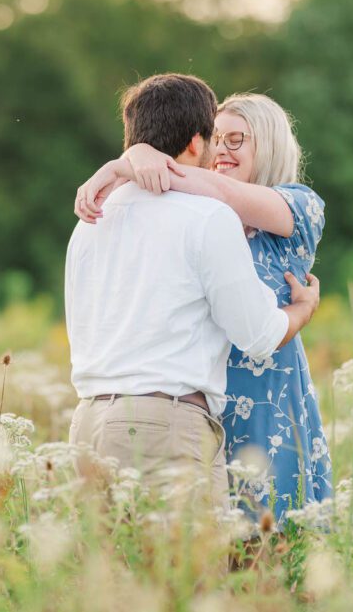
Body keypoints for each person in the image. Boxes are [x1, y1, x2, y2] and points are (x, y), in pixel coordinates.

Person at [65, 75, 320, 516]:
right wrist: (134, 160)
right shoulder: (199, 215)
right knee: (190, 578)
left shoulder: (293, 205)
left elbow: (220, 193)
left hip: (257, 415)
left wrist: (130, 160)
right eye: (215, 138)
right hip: (181, 415)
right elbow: (258, 330)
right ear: (197, 143)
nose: (221, 150)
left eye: (236, 139)